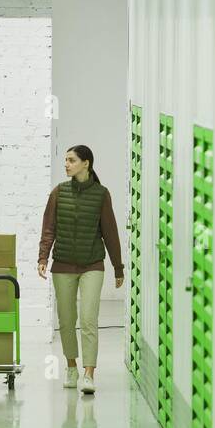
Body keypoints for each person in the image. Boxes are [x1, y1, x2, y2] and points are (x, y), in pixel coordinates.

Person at [37, 145, 124, 395]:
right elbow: (48, 228)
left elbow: (110, 233)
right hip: (62, 265)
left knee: (88, 319)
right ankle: (71, 366)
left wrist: (118, 268)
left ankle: (88, 374)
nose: (66, 164)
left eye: (71, 160)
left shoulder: (101, 195)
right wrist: (43, 257)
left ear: (86, 163)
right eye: (65, 160)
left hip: (92, 265)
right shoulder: (58, 193)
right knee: (66, 320)